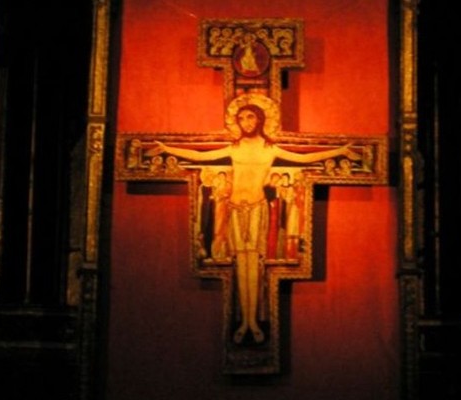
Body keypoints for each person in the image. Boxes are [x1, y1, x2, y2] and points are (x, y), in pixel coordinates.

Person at [147, 101, 359, 344]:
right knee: (241, 264)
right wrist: (167, 148)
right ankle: (245, 321)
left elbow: (306, 158)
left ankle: (252, 321)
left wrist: (339, 151)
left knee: (254, 265)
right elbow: (199, 155)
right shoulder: (234, 148)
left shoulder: (270, 150)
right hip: (235, 208)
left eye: (250, 117)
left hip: (257, 208)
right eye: (242, 118)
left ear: (259, 119)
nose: (246, 122)